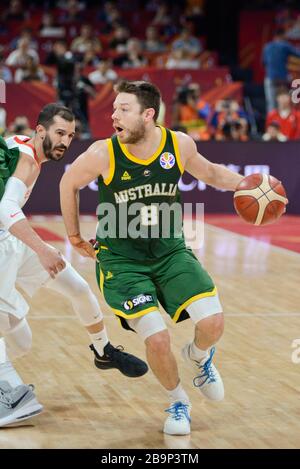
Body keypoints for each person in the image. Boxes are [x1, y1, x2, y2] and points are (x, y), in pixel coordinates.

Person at [60, 80, 244, 436]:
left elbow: (211, 173)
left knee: (214, 324)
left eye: (123, 109)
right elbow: (69, 183)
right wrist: (73, 236)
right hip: (122, 261)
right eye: (113, 109)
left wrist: (248, 184)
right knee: (157, 339)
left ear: (148, 114)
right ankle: (178, 401)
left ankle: (199, 357)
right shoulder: (104, 152)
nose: (114, 115)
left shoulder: (178, 144)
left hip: (169, 251)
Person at [0, 103, 148, 427]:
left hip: (9, 240)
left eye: (70, 135)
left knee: (77, 291)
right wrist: (41, 249)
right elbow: (6, 208)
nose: (66, 141)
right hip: (6, 238)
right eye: (59, 133)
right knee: (6, 330)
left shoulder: (21, 147)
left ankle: (103, 350)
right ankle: (3, 398)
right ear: (40, 131)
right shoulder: (26, 160)